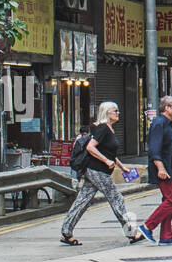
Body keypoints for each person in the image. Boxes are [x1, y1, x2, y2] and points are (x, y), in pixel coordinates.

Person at [59, 102, 144, 246]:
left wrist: (122, 167)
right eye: (115, 111)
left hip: (96, 171)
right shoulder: (103, 128)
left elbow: (109, 152)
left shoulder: (109, 129)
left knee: (82, 201)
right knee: (117, 199)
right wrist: (105, 161)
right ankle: (131, 234)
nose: (118, 113)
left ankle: (66, 231)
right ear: (107, 112)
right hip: (97, 171)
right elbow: (90, 147)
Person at [139, 95, 172, 246]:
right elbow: (154, 148)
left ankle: (166, 236)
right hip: (162, 169)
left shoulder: (167, 123)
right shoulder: (158, 123)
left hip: (168, 168)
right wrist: (160, 167)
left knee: (168, 200)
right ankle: (147, 226)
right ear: (167, 108)